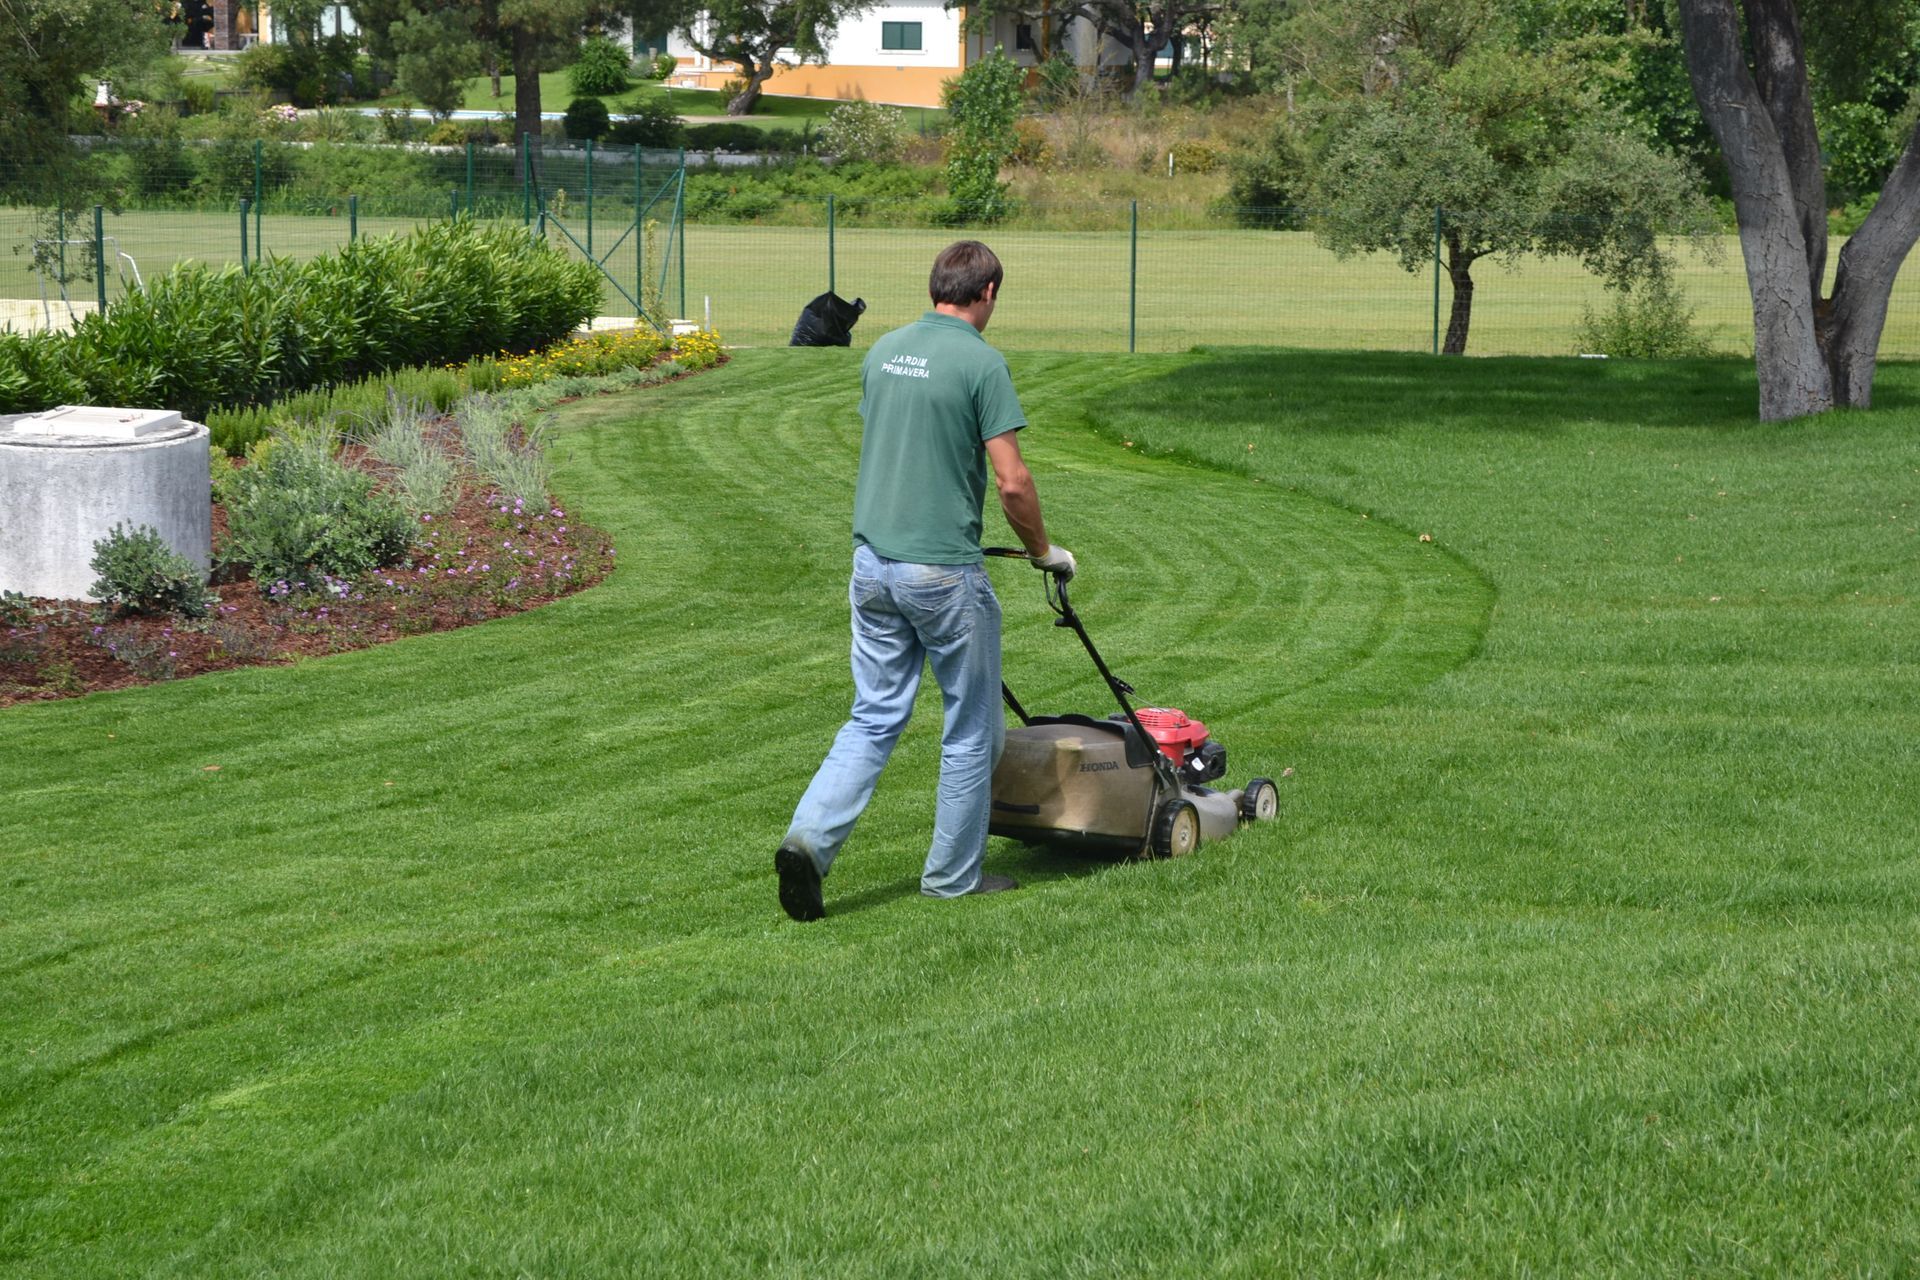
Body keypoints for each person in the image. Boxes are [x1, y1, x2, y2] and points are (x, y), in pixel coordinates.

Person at [775, 240, 1076, 922]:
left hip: (871, 567)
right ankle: (952, 879)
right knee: (972, 729)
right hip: (941, 573)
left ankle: (808, 841)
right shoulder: (981, 362)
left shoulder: (884, 350)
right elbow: (1013, 482)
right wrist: (1043, 552)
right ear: (988, 292)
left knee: (873, 716)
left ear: (937, 286)